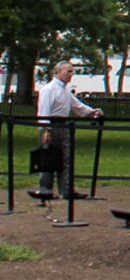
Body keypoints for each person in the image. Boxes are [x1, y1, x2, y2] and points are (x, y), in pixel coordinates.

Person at [36, 61, 103, 200]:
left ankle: (66, 189)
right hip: (51, 125)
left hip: (64, 126)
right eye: (68, 71)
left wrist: (92, 112)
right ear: (58, 71)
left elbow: (77, 106)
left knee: (67, 158)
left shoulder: (66, 90)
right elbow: (44, 110)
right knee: (48, 157)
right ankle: (45, 190)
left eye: (72, 71)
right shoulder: (48, 89)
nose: (71, 74)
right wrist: (45, 130)